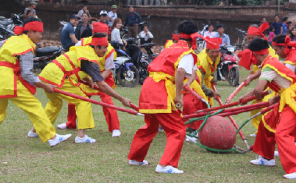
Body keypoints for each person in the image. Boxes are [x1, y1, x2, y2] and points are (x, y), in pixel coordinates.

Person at [0, 18, 71, 147]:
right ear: (30, 32)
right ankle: (51, 137)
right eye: (39, 33)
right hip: (8, 80)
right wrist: (44, 85)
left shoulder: (12, 39)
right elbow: (27, 74)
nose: (41, 36)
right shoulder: (26, 47)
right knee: (34, 106)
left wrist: (1, 61)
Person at [30, 34, 131, 143]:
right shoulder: (91, 60)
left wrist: (87, 79)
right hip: (60, 77)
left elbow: (73, 65)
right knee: (83, 101)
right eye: (104, 48)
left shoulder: (84, 50)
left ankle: (35, 131)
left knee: (55, 103)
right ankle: (81, 136)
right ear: (96, 47)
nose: (106, 51)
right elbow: (102, 85)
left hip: (48, 73)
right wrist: (122, 99)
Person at [127, 20, 200, 174]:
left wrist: (191, 77)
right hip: (161, 89)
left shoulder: (170, 48)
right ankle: (166, 165)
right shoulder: (187, 52)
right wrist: (179, 96)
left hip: (149, 87)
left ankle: (136, 158)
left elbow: (177, 71)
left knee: (151, 126)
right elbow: (180, 72)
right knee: (177, 129)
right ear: (194, 37)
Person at [239, 38, 296, 179]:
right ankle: (267, 158)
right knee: (266, 122)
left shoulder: (269, 66)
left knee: (282, 133)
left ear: (256, 54)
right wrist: (247, 96)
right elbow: (262, 81)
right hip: (288, 97)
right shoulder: (270, 61)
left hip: (294, 99)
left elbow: (260, 89)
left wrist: (256, 96)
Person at [59, 23, 122, 137]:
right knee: (74, 100)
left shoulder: (109, 49)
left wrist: (97, 80)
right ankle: (71, 123)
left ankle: (114, 128)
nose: (104, 39)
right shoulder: (81, 43)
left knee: (107, 102)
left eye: (106, 35)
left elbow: (108, 69)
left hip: (102, 77)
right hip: (85, 77)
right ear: (94, 35)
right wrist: (88, 78)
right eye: (101, 35)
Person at [184, 38, 221, 136]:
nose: (215, 54)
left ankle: (202, 125)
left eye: (217, 51)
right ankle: (193, 129)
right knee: (198, 103)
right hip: (193, 81)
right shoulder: (202, 61)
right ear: (207, 51)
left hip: (203, 80)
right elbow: (199, 83)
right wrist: (211, 92)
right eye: (212, 52)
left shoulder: (218, 55)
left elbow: (215, 66)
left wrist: (214, 79)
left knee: (205, 104)